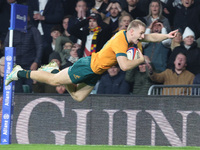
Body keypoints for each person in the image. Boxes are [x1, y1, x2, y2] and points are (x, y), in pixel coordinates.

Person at [5, 19, 178, 102]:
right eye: (140, 33)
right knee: (53, 80)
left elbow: (151, 36)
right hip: (88, 66)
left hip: (96, 72)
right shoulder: (120, 40)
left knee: (78, 97)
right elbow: (125, 66)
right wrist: (139, 60)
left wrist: (166, 35)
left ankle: (54, 69)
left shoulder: (134, 37)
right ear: (131, 31)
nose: (142, 36)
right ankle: (18, 71)